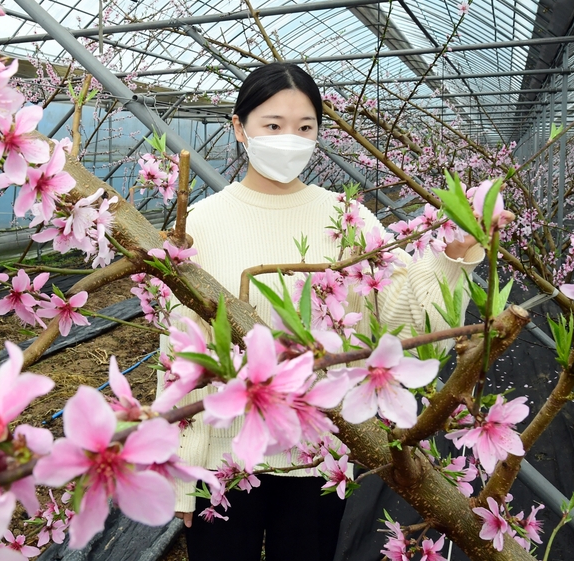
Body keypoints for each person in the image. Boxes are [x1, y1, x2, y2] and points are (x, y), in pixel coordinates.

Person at [156, 63, 486, 561]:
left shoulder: (347, 218)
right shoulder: (199, 224)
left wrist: (451, 255)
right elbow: (177, 356)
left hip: (318, 452)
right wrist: (180, 472)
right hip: (222, 457)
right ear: (238, 126)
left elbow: (403, 323)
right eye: (273, 125)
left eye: (304, 127)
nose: (290, 139)